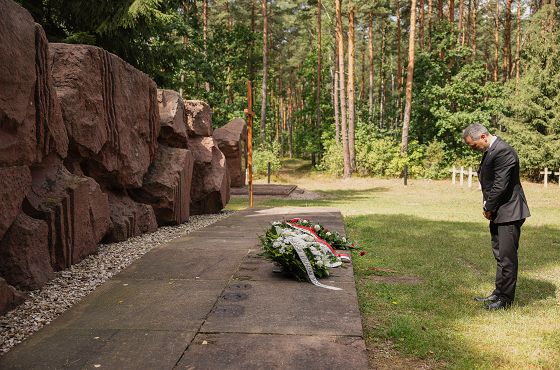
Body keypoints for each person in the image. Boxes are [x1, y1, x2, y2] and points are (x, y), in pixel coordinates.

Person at [462, 123, 530, 310]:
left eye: (473, 145)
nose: (473, 149)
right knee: (499, 255)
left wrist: (488, 207)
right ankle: (498, 294)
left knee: (507, 258)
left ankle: (506, 300)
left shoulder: (503, 151)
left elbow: (500, 184)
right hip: (499, 212)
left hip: (509, 212)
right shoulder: (491, 150)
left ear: (483, 137)